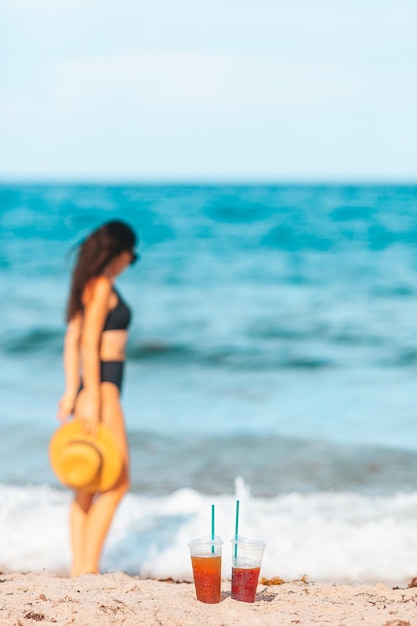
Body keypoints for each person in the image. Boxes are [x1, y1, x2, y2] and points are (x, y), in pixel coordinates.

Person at [57, 219, 138, 576]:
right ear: (119, 253)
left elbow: (71, 341)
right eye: (131, 256)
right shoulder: (103, 285)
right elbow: (88, 342)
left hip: (92, 388)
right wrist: (89, 393)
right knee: (118, 482)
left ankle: (80, 570)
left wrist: (70, 390)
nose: (130, 262)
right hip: (103, 388)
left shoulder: (86, 286)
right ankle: (87, 569)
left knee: (87, 484)